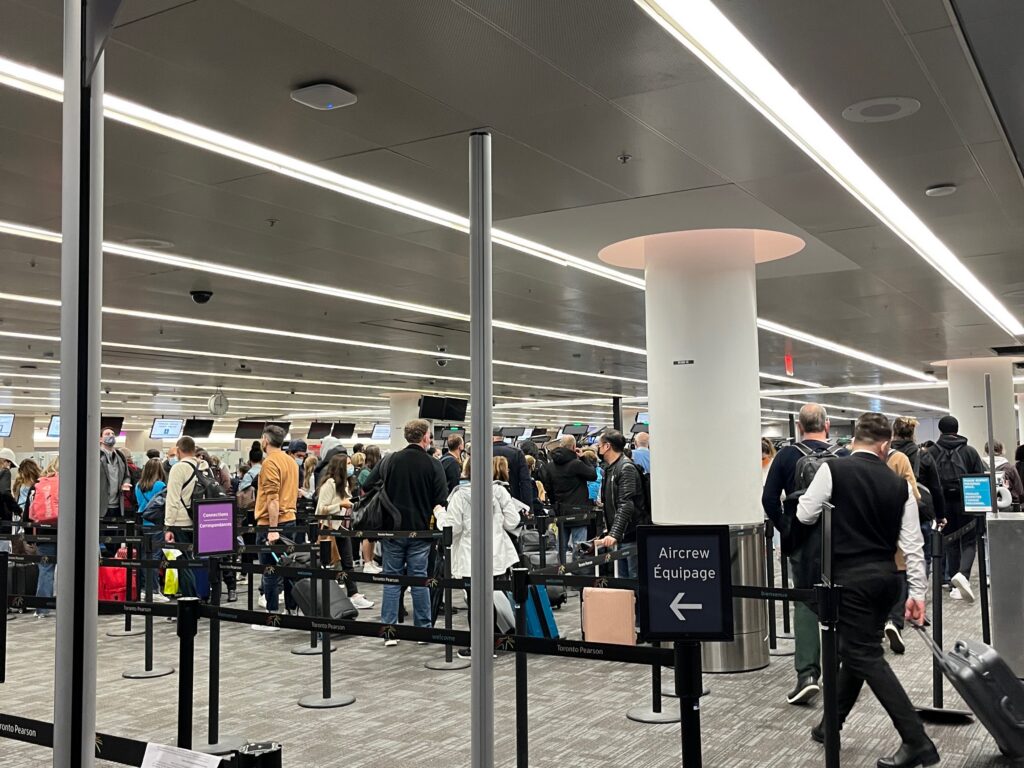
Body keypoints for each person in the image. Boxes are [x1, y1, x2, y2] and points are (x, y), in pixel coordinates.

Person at [797, 412, 935, 768]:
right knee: (857, 650)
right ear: (885, 444)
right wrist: (917, 593)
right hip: (887, 580)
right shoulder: (899, 485)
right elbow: (912, 543)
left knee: (863, 655)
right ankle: (831, 725)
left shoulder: (833, 470)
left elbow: (804, 514)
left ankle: (917, 739)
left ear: (854, 438)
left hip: (849, 580)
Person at [761, 403, 847, 706]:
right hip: (838, 539)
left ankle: (807, 675)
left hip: (801, 541)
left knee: (806, 602)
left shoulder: (786, 456)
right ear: (827, 426)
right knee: (840, 602)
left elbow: (769, 499)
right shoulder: (843, 457)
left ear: (799, 427)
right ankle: (838, 673)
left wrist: (787, 528)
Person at [363, 419, 447, 645]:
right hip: (420, 532)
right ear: (425, 437)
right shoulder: (433, 464)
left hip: (392, 531)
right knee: (420, 579)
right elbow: (441, 499)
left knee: (392, 579)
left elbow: (367, 486)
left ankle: (390, 631)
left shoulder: (389, 460)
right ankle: (422, 630)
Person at [438, 453, 526, 659]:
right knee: (490, 598)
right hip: (496, 554)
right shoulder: (499, 491)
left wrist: (439, 514)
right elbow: (513, 521)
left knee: (474, 601)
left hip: (470, 556)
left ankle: (477, 646)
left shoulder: (460, 494)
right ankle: (491, 643)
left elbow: (453, 528)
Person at [927, 415, 985, 602]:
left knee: (950, 541)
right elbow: (979, 478)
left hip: (943, 502)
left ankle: (953, 582)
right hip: (967, 501)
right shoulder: (970, 451)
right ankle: (963, 576)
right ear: (957, 429)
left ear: (940, 430)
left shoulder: (932, 452)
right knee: (969, 541)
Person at [251, 425, 299, 630]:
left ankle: (272, 617)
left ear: (265, 440)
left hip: (272, 523)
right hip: (290, 520)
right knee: (288, 568)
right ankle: (291, 610)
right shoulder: (291, 461)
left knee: (270, 571)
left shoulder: (270, 463)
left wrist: (272, 529)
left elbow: (272, 499)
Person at [315, 453, 373, 610]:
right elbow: (320, 509)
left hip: (342, 527)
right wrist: (340, 505)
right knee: (328, 564)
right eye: (347, 464)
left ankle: (353, 594)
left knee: (347, 562)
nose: (351, 467)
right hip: (330, 528)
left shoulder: (346, 484)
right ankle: (329, 597)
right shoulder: (330, 484)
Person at [891, 417, 945, 572]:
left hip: (891, 513)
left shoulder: (886, 454)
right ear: (913, 432)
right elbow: (936, 488)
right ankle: (917, 591)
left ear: (894, 432)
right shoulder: (924, 455)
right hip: (920, 511)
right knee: (922, 556)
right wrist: (940, 515)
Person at [594, 429, 648, 578]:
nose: (598, 449)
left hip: (630, 535)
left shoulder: (626, 468)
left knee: (634, 579)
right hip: (620, 536)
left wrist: (615, 533)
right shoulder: (611, 469)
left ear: (607, 446)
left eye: (599, 445)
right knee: (622, 581)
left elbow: (626, 504)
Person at [883, 449, 922, 655]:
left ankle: (878, 621)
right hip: (896, 522)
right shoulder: (900, 459)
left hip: (867, 529)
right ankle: (894, 622)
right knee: (899, 570)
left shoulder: (852, 457)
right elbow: (914, 494)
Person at [164, 436, 209, 598]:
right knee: (199, 561)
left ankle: (190, 602)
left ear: (178, 450)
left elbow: (173, 499)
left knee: (183, 563)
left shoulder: (178, 468)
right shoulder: (204, 466)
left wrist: (168, 526)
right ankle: (202, 595)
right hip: (201, 521)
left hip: (181, 522)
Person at [542, 435, 597, 559]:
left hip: (561, 510)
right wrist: (583, 458)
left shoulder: (550, 466)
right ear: (574, 447)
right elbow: (593, 475)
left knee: (560, 547)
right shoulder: (576, 464)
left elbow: (548, 488)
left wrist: (555, 504)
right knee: (579, 547)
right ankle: (577, 574)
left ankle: (561, 572)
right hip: (579, 511)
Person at [134, 458, 170, 602]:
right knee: (155, 557)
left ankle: (144, 589)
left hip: (142, 524)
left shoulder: (138, 486)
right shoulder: (160, 485)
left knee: (144, 557)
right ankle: (154, 589)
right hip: (156, 525)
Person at [33, 457, 60, 617]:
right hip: (64, 531)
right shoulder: (67, 484)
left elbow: (30, 512)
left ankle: (41, 609)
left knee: (45, 569)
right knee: (70, 570)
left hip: (43, 532)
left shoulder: (38, 484)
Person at [99, 427, 131, 553]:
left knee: (115, 541)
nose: (111, 436)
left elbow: (127, 475)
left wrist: (125, 483)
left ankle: (115, 571)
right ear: (100, 439)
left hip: (117, 506)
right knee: (101, 539)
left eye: (113, 433)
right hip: (101, 506)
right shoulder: (95, 455)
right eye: (107, 434)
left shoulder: (120, 456)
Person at [492, 428, 533, 506]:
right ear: (502, 437)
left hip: (488, 498)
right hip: (513, 499)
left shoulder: (483, 451)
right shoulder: (517, 452)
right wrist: (528, 505)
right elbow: (525, 480)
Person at [358, 444, 382, 573]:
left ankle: (371, 561)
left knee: (372, 535)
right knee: (367, 535)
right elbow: (368, 489)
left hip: (373, 505)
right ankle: (367, 563)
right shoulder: (365, 472)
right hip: (367, 506)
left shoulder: (372, 470)